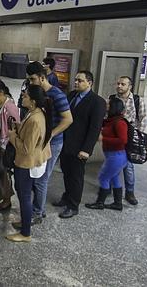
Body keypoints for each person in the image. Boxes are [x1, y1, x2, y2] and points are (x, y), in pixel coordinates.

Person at [25, 62, 73, 223]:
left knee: (41, 179)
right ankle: (38, 208)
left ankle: (38, 212)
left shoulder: (57, 95)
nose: (31, 83)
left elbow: (68, 119)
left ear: (42, 77)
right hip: (40, 141)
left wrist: (51, 134)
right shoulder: (38, 94)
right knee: (36, 177)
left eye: (33, 79)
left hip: (52, 142)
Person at [55, 71, 106, 219]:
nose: (76, 83)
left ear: (89, 83)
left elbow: (95, 128)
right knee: (66, 172)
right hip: (65, 142)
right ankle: (66, 196)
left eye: (80, 80)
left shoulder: (97, 102)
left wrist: (86, 149)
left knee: (76, 176)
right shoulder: (71, 95)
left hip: (80, 146)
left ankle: (73, 205)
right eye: (76, 80)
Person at [7, 85, 52, 242]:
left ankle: (25, 233)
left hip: (27, 162)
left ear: (32, 101)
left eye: (25, 96)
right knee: (21, 191)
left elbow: (26, 148)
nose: (22, 98)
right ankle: (25, 221)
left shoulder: (35, 119)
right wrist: (19, 127)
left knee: (25, 196)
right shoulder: (35, 113)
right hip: (31, 159)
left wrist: (12, 136)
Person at [85, 98, 129, 211]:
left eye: (108, 104)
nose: (106, 105)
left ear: (114, 107)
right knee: (114, 178)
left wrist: (104, 139)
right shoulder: (111, 120)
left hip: (117, 156)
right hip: (113, 156)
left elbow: (123, 140)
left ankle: (100, 203)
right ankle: (118, 203)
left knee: (103, 177)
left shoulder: (120, 122)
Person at [109, 76, 146, 205]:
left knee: (128, 166)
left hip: (130, 137)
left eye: (123, 84)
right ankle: (108, 187)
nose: (119, 86)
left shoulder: (137, 100)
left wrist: (138, 136)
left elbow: (142, 118)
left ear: (129, 86)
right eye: (118, 83)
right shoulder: (112, 99)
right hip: (115, 136)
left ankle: (129, 192)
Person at [0, 80, 20, 211]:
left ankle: (7, 200)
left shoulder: (9, 106)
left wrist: (5, 146)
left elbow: (16, 127)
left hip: (6, 146)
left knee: (4, 173)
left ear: (1, 92)